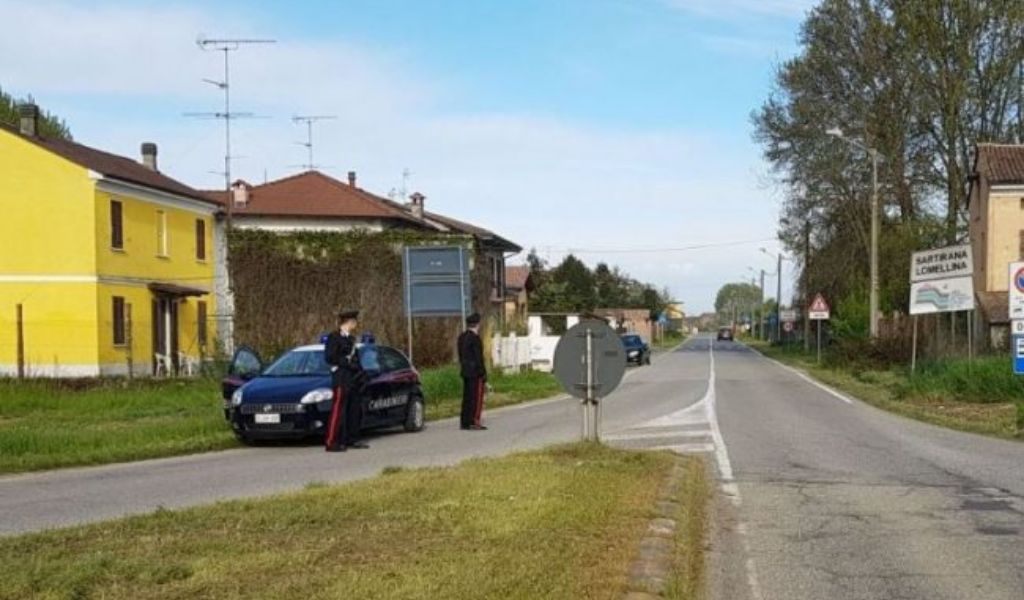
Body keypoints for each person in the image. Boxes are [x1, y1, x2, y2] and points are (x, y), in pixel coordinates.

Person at [324, 309, 369, 452]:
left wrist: (360, 372)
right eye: (354, 321)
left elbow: (355, 358)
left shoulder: (351, 339)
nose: (355, 324)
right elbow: (330, 357)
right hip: (341, 377)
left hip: (353, 378)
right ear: (349, 322)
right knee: (338, 410)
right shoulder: (334, 337)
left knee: (353, 409)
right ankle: (332, 441)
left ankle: (351, 438)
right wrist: (346, 362)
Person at [458, 312, 487, 430]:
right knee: (476, 398)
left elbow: (460, 355)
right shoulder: (475, 339)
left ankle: (464, 421)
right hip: (475, 372)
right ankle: (474, 420)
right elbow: (478, 357)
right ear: (477, 324)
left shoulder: (462, 337)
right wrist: (483, 373)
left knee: (467, 397)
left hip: (465, 371)